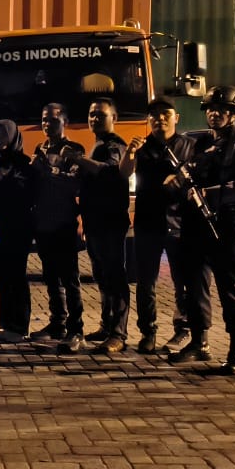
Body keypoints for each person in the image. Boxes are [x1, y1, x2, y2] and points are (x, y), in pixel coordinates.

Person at [167, 85, 235, 373]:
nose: (214, 113)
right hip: (195, 226)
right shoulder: (199, 144)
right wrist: (177, 182)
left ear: (234, 114)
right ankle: (199, 343)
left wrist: (213, 193)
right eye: (210, 108)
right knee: (194, 287)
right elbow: (187, 175)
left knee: (231, 288)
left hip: (226, 224)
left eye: (221, 109)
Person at [120, 99, 197, 354]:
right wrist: (129, 153)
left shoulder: (190, 146)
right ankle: (148, 332)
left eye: (165, 114)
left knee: (182, 281)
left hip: (180, 223)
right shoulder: (142, 147)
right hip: (148, 222)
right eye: (153, 115)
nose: (159, 119)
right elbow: (124, 174)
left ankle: (183, 330)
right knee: (146, 282)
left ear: (176, 117)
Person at [73, 97, 131, 354]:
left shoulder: (115, 145)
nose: (95, 118)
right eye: (91, 114)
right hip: (95, 221)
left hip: (110, 222)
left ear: (114, 119)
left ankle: (118, 334)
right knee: (102, 275)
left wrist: (79, 160)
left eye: (101, 115)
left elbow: (110, 172)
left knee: (115, 276)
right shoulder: (97, 144)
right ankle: (107, 326)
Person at [30, 103, 87, 353]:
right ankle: (57, 323)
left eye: (53, 120)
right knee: (50, 277)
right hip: (44, 222)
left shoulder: (74, 150)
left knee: (70, 279)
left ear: (64, 121)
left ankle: (77, 330)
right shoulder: (39, 149)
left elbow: (74, 183)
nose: (47, 124)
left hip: (64, 222)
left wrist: (49, 172)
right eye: (44, 119)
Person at [0, 120, 33, 344]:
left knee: (16, 275)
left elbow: (23, 193)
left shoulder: (23, 164)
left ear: (13, 137)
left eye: (2, 135)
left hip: (18, 227)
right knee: (3, 275)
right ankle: (6, 324)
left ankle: (20, 325)